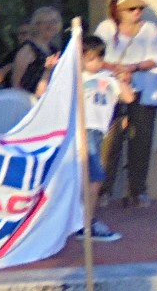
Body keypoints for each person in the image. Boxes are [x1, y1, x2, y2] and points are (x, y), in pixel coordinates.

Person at [36, 35, 128, 243]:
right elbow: (42, 92)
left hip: (98, 131)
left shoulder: (106, 78)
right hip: (80, 131)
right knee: (94, 177)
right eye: (90, 59)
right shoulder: (71, 78)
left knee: (86, 178)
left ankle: (82, 219)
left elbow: (128, 96)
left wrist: (118, 76)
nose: (95, 63)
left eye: (99, 58)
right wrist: (49, 70)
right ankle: (86, 222)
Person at [95, 0, 157, 208]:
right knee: (110, 140)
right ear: (118, 11)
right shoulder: (106, 29)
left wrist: (133, 67)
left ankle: (138, 190)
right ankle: (103, 190)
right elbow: (95, 57)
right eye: (132, 9)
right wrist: (117, 70)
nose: (137, 12)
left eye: (140, 8)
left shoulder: (149, 30)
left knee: (141, 140)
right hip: (113, 90)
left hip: (144, 92)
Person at [8, 7, 62, 94]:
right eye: (46, 22)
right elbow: (16, 83)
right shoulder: (28, 50)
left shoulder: (54, 50)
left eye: (54, 22)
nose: (51, 25)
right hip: (31, 101)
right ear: (37, 25)